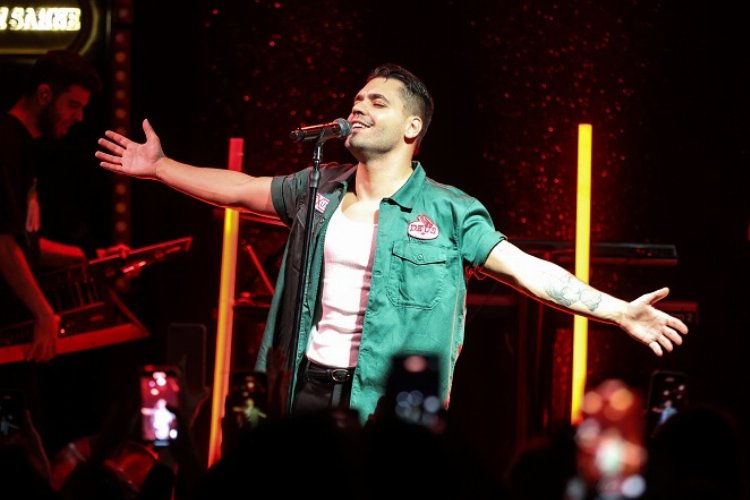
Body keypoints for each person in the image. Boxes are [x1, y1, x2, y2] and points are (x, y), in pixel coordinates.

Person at [95, 63, 689, 426]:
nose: (359, 107)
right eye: (357, 100)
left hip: (389, 404)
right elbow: (241, 189)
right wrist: (161, 168)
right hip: (304, 386)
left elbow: (527, 270)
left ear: (412, 128)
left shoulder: (449, 211)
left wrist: (617, 311)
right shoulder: (318, 188)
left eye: (377, 102)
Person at [0, 49, 103, 363]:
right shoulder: (4, 144)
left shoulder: (23, 146)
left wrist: (91, 259)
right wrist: (44, 313)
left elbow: (24, 243)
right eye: (73, 105)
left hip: (16, 335)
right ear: (44, 94)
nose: (79, 117)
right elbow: (2, 244)